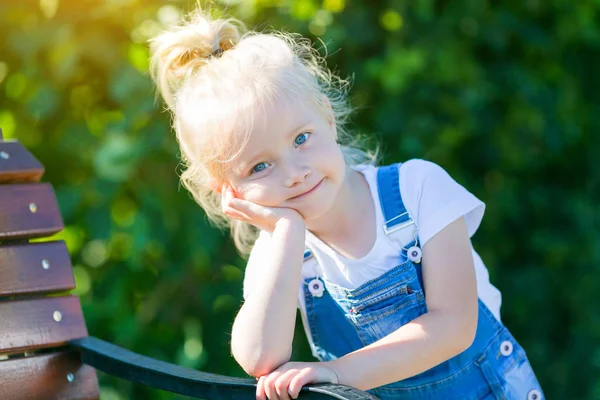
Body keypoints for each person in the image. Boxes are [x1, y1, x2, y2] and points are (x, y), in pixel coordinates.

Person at [148, 6, 544, 400]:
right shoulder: (281, 253)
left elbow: (454, 326)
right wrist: (286, 234)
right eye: (260, 166)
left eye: (301, 138)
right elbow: (259, 358)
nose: (294, 173)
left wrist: (336, 372)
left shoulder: (416, 190)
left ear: (328, 119)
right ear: (228, 191)